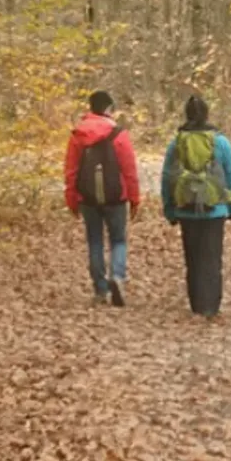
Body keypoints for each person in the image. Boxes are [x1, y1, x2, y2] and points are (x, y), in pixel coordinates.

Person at [158, 94, 231, 322]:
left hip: (185, 209)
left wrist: (169, 208)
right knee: (212, 258)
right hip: (214, 209)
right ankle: (211, 307)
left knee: (193, 257)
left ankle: (196, 304)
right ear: (207, 114)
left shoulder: (177, 142)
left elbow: (167, 177)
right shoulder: (220, 142)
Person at [63, 90, 140, 304]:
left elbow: (71, 170)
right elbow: (129, 169)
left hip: (87, 197)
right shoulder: (118, 133)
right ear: (108, 109)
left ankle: (100, 290)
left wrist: (71, 198)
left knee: (94, 241)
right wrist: (134, 198)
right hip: (116, 196)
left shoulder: (78, 134)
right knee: (118, 240)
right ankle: (117, 276)